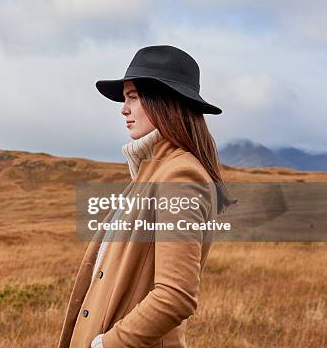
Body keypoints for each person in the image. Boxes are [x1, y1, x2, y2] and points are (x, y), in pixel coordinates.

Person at [58, 45, 236, 348]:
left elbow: (175, 296)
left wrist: (106, 344)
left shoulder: (180, 177)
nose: (123, 109)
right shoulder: (152, 172)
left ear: (164, 101)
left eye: (133, 97)